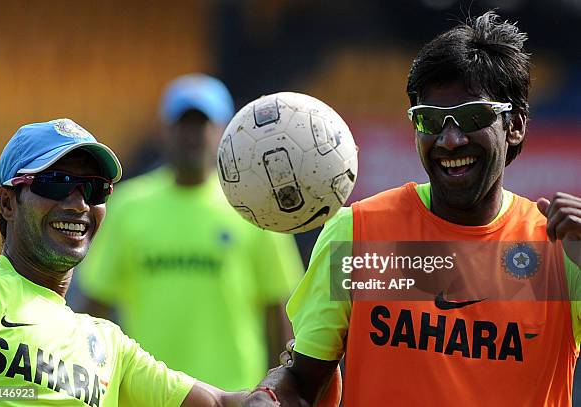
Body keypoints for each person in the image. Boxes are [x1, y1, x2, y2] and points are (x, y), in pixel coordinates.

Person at [243, 11, 581, 406]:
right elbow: (303, 381)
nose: (449, 140)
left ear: (516, 126)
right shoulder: (357, 234)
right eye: (430, 121)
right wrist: (267, 396)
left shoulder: (561, 250)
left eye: (472, 117)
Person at [0, 118, 252, 406]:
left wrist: (276, 388)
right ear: (7, 203)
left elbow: (219, 403)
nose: (79, 204)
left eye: (95, 189)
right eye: (56, 183)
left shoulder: (109, 344)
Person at [78, 74, 304, 391]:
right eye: (184, 124)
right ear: (165, 131)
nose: (193, 135)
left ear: (224, 132)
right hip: (146, 393)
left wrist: (277, 391)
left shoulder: (254, 207)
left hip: (233, 393)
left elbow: (278, 310)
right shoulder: (129, 206)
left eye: (203, 124)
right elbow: (96, 307)